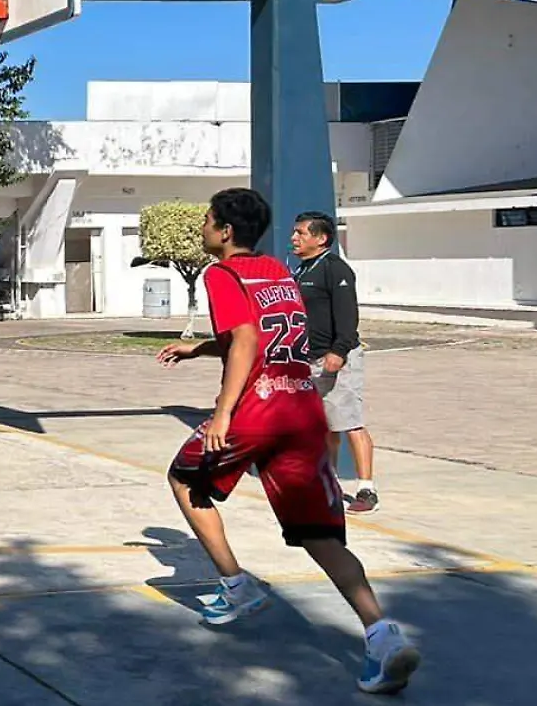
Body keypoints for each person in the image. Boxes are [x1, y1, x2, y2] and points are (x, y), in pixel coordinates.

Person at [159, 188, 419, 695]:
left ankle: (235, 586)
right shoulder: (279, 272)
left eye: (208, 220)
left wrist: (223, 413)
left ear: (226, 231)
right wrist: (199, 348)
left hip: (259, 406)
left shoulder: (221, 274)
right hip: (302, 406)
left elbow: (249, 341)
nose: (203, 228)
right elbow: (261, 333)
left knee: (185, 477)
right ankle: (381, 636)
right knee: (319, 534)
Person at [291, 211, 378, 515]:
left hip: (338, 358)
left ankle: (366, 489)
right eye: (295, 232)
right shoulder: (302, 270)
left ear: (321, 238)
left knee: (350, 421)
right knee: (326, 426)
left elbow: (347, 315)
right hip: (311, 360)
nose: (294, 238)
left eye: (301, 233)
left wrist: (338, 352)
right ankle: (328, 483)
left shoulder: (335, 268)